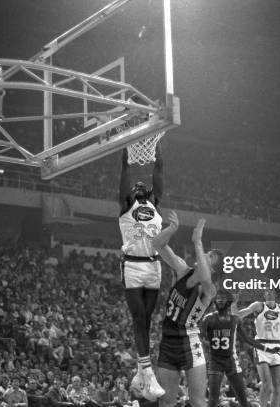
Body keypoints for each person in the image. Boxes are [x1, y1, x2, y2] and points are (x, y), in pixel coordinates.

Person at [151, 212, 221, 407]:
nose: (205, 254)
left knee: (198, 402)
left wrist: (198, 242)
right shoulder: (182, 270)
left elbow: (206, 279)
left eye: (210, 256)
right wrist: (171, 230)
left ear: (213, 269)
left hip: (190, 345)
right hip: (167, 342)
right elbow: (157, 245)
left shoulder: (209, 290)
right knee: (166, 402)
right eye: (206, 251)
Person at [118, 144, 164, 401]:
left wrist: (157, 145)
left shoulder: (155, 203)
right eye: (134, 187)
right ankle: (147, 371)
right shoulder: (126, 205)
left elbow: (159, 169)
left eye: (141, 185)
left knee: (146, 321)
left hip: (154, 265)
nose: (137, 186)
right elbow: (124, 178)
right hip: (133, 266)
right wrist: (125, 159)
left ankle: (141, 370)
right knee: (138, 320)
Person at [202, 289, 280, 407]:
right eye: (218, 299)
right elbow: (198, 335)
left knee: (246, 397)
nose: (219, 301)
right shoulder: (209, 318)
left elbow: (248, 339)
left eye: (222, 299)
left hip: (234, 360)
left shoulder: (235, 320)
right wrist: (208, 346)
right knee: (213, 399)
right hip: (216, 361)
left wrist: (268, 349)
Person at [233, 289, 280, 407]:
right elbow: (237, 315)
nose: (268, 293)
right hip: (261, 346)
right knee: (266, 384)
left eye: (271, 291)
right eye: (266, 291)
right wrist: (234, 303)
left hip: (277, 347)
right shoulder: (258, 306)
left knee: (277, 387)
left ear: (275, 294)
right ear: (264, 294)